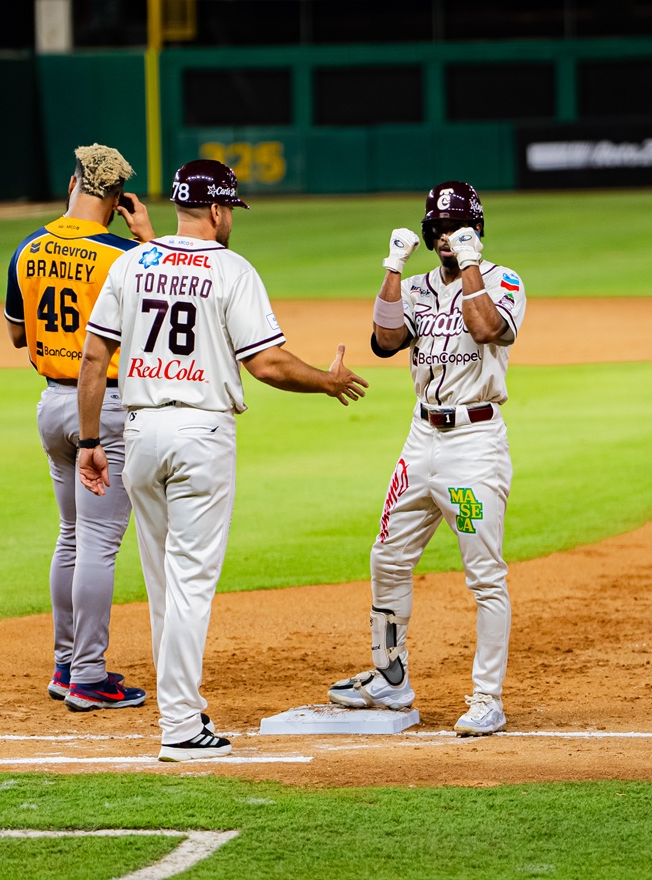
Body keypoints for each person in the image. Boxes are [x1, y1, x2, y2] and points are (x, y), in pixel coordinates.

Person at [77, 159, 368, 762]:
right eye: (230, 208)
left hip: (138, 433)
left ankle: (179, 711)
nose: (231, 218)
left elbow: (93, 359)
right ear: (214, 210)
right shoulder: (232, 270)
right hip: (199, 436)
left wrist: (87, 442)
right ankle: (181, 728)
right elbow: (267, 364)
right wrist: (327, 381)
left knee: (162, 585)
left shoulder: (132, 262)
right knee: (190, 586)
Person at [327, 180, 526, 736]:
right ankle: (390, 678)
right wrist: (392, 268)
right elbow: (386, 341)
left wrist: (470, 265)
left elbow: (488, 328)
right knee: (386, 557)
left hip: (474, 447)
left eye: (456, 226)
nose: (444, 236)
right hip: (421, 442)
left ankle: (487, 697)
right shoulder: (414, 288)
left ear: (477, 230)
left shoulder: (505, 282)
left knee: (484, 576)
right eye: (437, 228)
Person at [5, 143, 157, 712]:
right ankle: (89, 676)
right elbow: (167, 309)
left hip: (52, 405)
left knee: (71, 536)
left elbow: (19, 335)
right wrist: (146, 237)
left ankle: (67, 664)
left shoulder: (29, 247)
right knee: (97, 542)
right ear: (118, 198)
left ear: (73, 183)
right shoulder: (124, 254)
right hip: (108, 409)